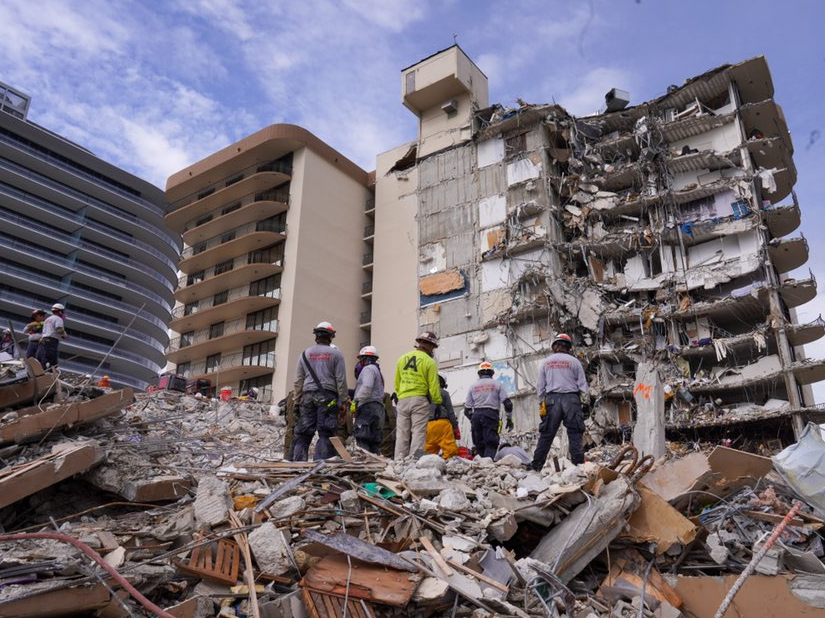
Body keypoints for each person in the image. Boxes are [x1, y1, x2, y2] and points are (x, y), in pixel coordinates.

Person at [531, 333, 588, 470]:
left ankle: (536, 466)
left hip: (552, 400)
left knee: (546, 435)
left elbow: (540, 387)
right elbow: (583, 385)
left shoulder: (546, 362)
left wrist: (541, 404)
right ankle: (579, 467)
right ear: (568, 347)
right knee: (575, 433)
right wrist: (585, 403)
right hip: (572, 400)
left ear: (554, 346)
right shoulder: (575, 362)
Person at [292, 321, 348, 461]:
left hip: (308, 397)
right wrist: (343, 401)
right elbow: (340, 381)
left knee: (303, 433)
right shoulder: (336, 355)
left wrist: (297, 401)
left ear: (316, 336)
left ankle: (298, 466)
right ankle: (320, 467)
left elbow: (298, 381)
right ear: (331, 336)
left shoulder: (305, 354)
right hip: (328, 398)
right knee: (326, 433)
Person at [394, 331, 441, 459]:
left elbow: (397, 382)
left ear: (420, 343)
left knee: (402, 433)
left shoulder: (402, 358)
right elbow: (434, 385)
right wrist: (437, 402)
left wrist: (400, 395)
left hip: (402, 399)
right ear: (430, 345)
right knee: (418, 433)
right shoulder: (430, 362)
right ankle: (414, 461)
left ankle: (399, 460)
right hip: (419, 400)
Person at [463, 362, 513, 458]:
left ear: (479, 374)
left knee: (479, 444)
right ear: (492, 373)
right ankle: (488, 466)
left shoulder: (472, 386)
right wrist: (509, 419)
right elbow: (508, 404)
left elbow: (467, 409)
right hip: (491, 414)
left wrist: (473, 419)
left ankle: (482, 466)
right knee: (491, 443)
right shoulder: (498, 384)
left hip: (476, 415)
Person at [352, 346, 385, 454]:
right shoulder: (377, 371)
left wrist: (356, 400)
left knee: (363, 437)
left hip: (367, 407)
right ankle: (374, 464)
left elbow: (366, 387)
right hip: (377, 408)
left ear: (365, 359)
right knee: (374, 440)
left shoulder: (368, 369)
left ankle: (364, 463)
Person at [425, 374, 460, 459]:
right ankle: (447, 466)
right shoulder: (444, 393)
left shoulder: (425, 393)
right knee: (450, 451)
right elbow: (450, 412)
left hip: (428, 426)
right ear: (443, 383)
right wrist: (456, 428)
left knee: (428, 452)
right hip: (443, 425)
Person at [36, 303, 68, 370]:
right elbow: (59, 330)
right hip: (51, 342)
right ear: (60, 311)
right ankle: (46, 376)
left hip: (43, 340)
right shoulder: (58, 319)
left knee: (45, 359)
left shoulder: (47, 319)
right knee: (49, 361)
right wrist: (64, 335)